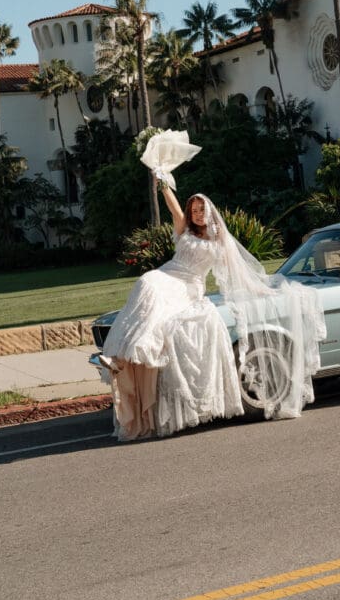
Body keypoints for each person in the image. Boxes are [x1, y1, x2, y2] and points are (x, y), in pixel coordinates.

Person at [99, 185, 244, 441]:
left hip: (189, 285)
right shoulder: (184, 230)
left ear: (210, 211)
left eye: (201, 210)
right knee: (146, 282)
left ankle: (134, 352)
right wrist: (164, 183)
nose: (197, 214)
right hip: (169, 273)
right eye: (194, 210)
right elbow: (174, 208)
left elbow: (235, 269)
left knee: (157, 302)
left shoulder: (220, 241)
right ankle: (121, 355)